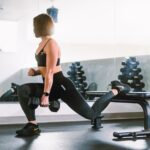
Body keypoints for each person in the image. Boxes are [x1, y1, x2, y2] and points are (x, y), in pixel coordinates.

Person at [16, 13, 130, 136]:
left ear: (41, 26)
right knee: (23, 90)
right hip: (49, 84)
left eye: (34, 26)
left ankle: (117, 89)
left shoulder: (51, 43)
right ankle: (33, 126)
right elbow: (47, 67)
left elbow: (50, 72)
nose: (33, 29)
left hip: (61, 85)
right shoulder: (41, 45)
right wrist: (36, 71)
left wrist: (46, 94)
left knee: (91, 114)